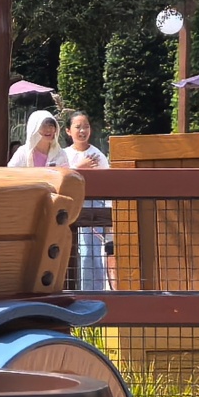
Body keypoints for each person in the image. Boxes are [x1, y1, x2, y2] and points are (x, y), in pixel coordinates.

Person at [62, 112, 112, 291]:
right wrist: (78, 168)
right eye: (78, 127)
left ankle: (93, 292)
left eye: (86, 126)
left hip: (91, 207)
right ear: (68, 131)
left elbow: (105, 185)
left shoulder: (97, 155)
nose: (82, 131)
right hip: (67, 207)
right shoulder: (63, 155)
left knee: (91, 252)